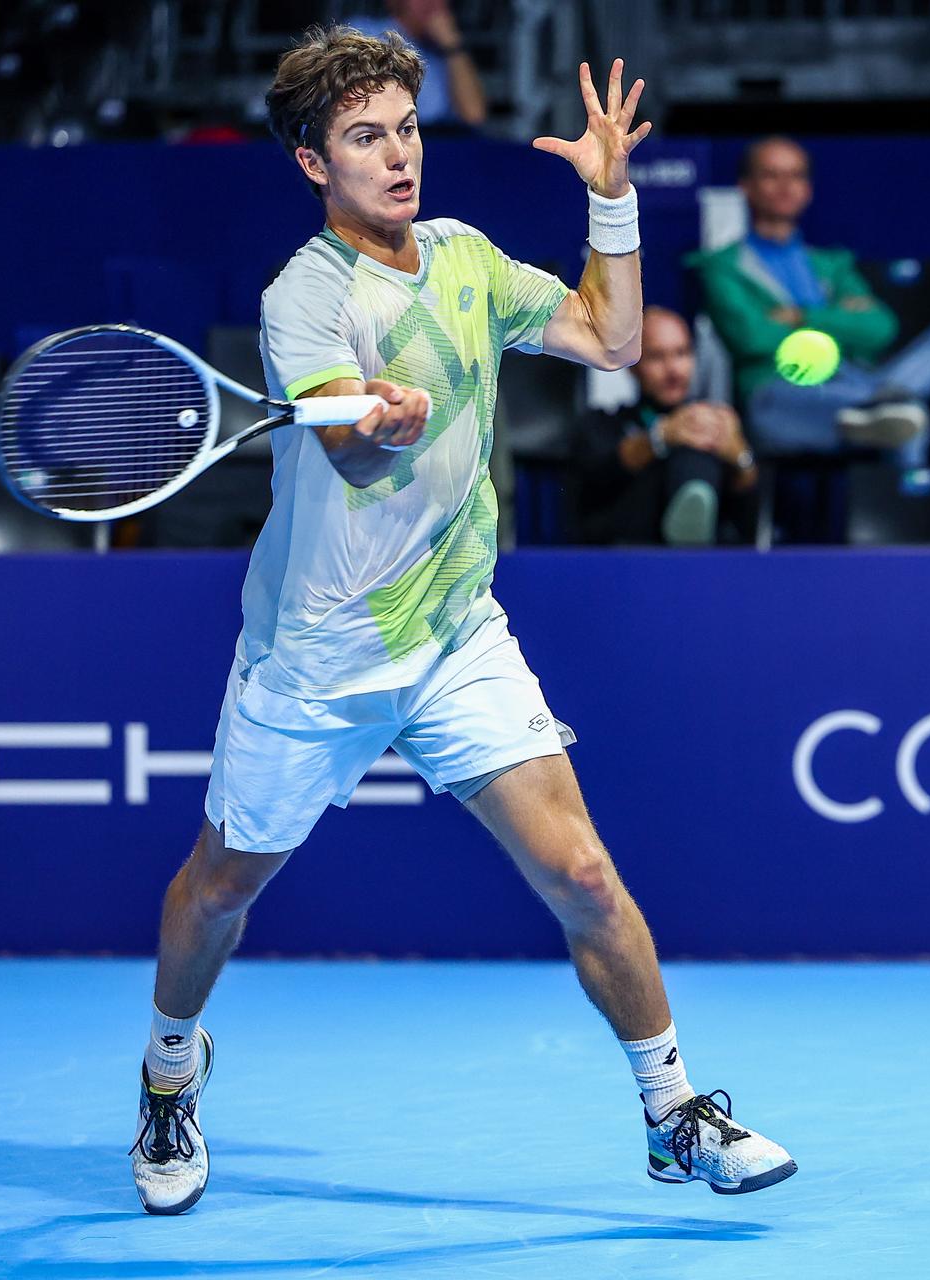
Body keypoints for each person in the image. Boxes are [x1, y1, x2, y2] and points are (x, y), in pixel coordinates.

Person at [126, 28, 794, 1216]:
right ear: (311, 164)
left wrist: (613, 203)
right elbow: (339, 426)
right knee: (219, 888)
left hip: (454, 637)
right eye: (365, 137)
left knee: (583, 873)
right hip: (317, 658)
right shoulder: (306, 294)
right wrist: (378, 411)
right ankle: (170, 1066)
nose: (398, 156)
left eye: (408, 128)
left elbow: (612, 336)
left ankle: (673, 1108)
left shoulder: (469, 258)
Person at [696, 135, 930, 462]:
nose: (785, 186)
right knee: (908, 417)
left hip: (853, 381)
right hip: (780, 394)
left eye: (796, 176)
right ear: (746, 187)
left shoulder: (832, 264)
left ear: (808, 189)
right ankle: (884, 409)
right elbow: (751, 338)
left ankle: (881, 405)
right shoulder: (722, 265)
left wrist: (801, 317)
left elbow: (879, 329)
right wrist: (839, 317)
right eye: (771, 175)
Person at [572, 305, 759, 545]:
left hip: (710, 563)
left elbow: (750, 517)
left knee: (697, 453)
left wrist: (738, 454)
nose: (673, 370)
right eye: (657, 357)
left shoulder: (718, 424)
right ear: (632, 366)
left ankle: (691, 534)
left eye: (682, 353)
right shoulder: (604, 423)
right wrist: (662, 437)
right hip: (628, 555)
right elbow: (600, 473)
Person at [342, 0, 487, 127]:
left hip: (440, 145)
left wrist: (452, 45)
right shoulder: (363, 32)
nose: (434, 5)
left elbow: (474, 115)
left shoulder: (445, 51)